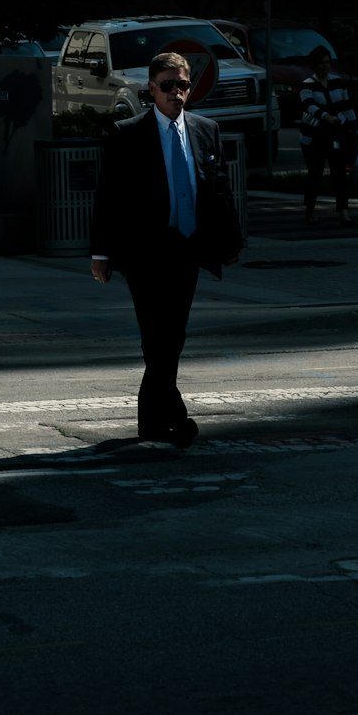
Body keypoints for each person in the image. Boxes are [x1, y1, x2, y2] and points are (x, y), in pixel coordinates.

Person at [90, 51, 243, 447]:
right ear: (151, 90)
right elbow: (109, 197)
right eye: (168, 86)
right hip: (145, 252)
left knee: (172, 335)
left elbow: (220, 191)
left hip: (188, 249)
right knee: (154, 335)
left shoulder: (206, 129)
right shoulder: (128, 133)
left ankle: (159, 419)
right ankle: (169, 416)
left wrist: (229, 241)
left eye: (183, 85)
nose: (177, 93)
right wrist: (102, 252)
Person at [298, 44, 358, 227]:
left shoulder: (338, 82)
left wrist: (357, 132)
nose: (325, 66)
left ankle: (344, 213)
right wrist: (327, 117)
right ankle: (310, 210)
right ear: (314, 65)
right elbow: (309, 106)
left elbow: (348, 107)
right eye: (321, 63)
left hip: (334, 135)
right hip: (313, 137)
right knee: (315, 174)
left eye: (327, 62)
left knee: (339, 173)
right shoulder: (307, 85)